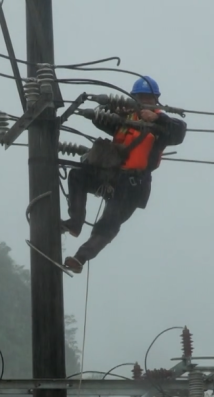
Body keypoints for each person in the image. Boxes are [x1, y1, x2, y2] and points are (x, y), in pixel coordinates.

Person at [61, 75, 187, 273]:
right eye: (140, 97)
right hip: (112, 176)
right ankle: (75, 222)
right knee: (78, 175)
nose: (144, 101)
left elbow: (180, 131)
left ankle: (80, 258)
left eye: (148, 98)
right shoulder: (126, 118)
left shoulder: (163, 126)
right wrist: (113, 108)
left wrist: (157, 118)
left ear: (156, 100)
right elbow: (100, 119)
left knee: (108, 224)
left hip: (133, 185)